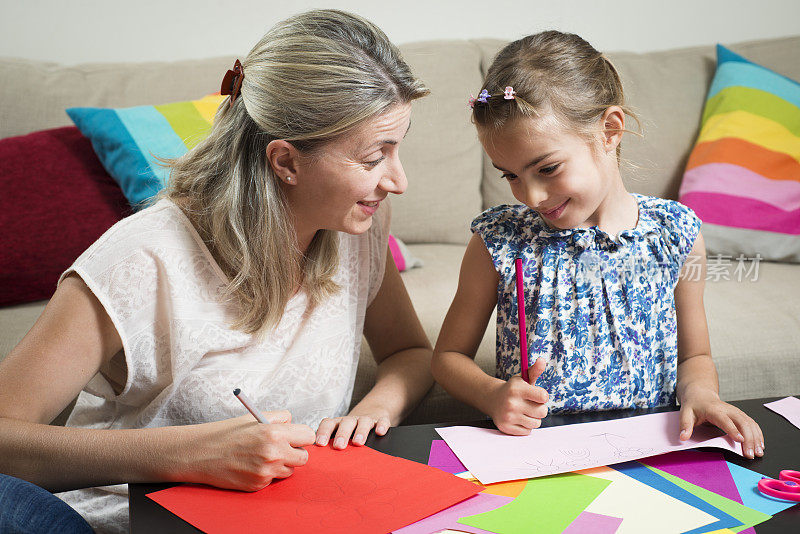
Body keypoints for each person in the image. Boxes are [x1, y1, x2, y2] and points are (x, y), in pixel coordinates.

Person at [0, 9, 433, 533]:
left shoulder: (356, 230)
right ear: (286, 162)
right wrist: (186, 453)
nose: (398, 181)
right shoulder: (140, 260)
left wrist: (373, 413)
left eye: (397, 149)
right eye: (373, 158)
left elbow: (409, 353)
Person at [431, 31, 765, 458]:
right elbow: (448, 358)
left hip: (651, 449)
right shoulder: (498, 242)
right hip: (539, 453)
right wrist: (493, 396)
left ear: (610, 130)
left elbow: (694, 355)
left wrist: (704, 395)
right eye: (510, 175)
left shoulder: (676, 233)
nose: (530, 196)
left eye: (547, 168)